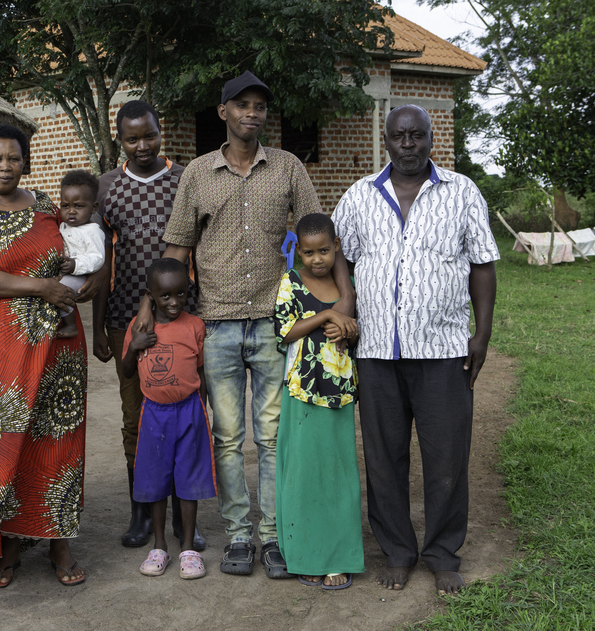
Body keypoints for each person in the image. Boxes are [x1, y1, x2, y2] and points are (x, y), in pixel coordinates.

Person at [155, 71, 357, 578]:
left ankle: (272, 536)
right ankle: (239, 536)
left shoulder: (288, 167)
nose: (252, 113)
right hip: (217, 324)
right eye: (241, 104)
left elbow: (322, 239)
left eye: (260, 106)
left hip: (275, 324)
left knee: (271, 435)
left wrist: (345, 305)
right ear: (223, 111)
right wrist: (147, 310)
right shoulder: (197, 174)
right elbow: (177, 250)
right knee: (226, 436)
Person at [332, 104, 498, 595]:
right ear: (386, 140)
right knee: (383, 457)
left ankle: (443, 552)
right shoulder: (360, 195)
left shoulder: (461, 191)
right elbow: (339, 260)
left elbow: (483, 264)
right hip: (377, 350)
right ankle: (399, 551)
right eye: (399, 136)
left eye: (417, 136)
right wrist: (342, 314)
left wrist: (482, 336)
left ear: (431, 139)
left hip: (445, 350)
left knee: (447, 455)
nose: (408, 144)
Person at [0, 124, 96, 588]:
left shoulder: (49, 206)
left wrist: (81, 283)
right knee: (4, 443)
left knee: (58, 443)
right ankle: (5, 545)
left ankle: (59, 542)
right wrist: (42, 288)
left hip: (59, 346)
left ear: (26, 161)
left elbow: (77, 256)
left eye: (13, 158)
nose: (5, 167)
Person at [92, 99, 204, 550]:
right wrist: (99, 326)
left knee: (184, 408)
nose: (143, 145)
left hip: (182, 313)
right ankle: (142, 509)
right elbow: (100, 263)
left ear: (162, 132)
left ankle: (183, 514)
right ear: (120, 140)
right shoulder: (106, 188)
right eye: (132, 138)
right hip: (126, 317)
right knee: (136, 415)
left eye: (150, 135)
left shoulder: (186, 179)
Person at [273, 213, 363, 590]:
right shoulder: (291, 282)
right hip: (303, 390)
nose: (317, 260)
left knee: (337, 474)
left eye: (324, 251)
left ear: (336, 247)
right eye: (308, 253)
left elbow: (356, 333)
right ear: (300, 253)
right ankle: (306, 553)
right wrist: (326, 314)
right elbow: (285, 330)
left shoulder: (348, 288)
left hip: (339, 391)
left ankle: (337, 556)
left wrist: (348, 324)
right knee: (305, 472)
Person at [122, 259, 216, 580]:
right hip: (154, 414)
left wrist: (202, 410)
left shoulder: (195, 326)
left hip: (190, 411)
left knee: (188, 479)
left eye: (181, 294)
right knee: (155, 479)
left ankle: (188, 548)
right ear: (151, 295)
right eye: (165, 296)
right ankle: (159, 545)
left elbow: (200, 371)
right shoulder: (140, 327)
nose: (174, 302)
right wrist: (134, 346)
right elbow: (125, 373)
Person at [54, 169, 104, 339]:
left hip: (80, 276)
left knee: (61, 291)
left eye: (79, 206)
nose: (72, 211)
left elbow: (97, 258)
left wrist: (75, 264)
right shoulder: (64, 226)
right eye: (65, 206)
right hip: (67, 272)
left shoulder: (92, 231)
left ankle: (71, 325)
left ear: (93, 207)